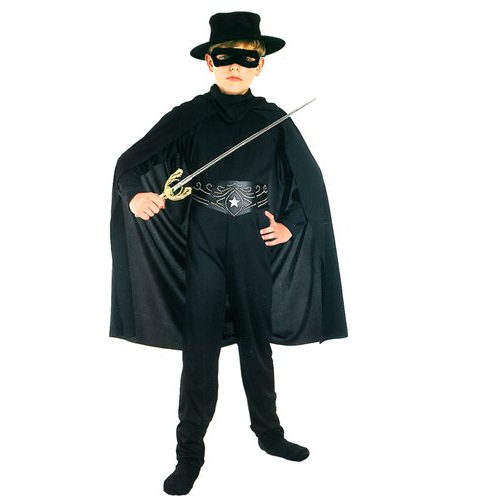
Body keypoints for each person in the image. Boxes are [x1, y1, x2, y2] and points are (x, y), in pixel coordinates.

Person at [110, 11, 348, 496]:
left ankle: (269, 434)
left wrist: (291, 223)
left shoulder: (272, 120)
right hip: (203, 243)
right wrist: (135, 195)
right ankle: (189, 454)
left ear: (261, 64)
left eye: (246, 58)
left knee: (256, 341)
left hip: (251, 242)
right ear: (209, 62)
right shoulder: (190, 116)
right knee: (199, 347)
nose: (235, 66)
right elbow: (130, 163)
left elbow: (308, 181)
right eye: (225, 57)